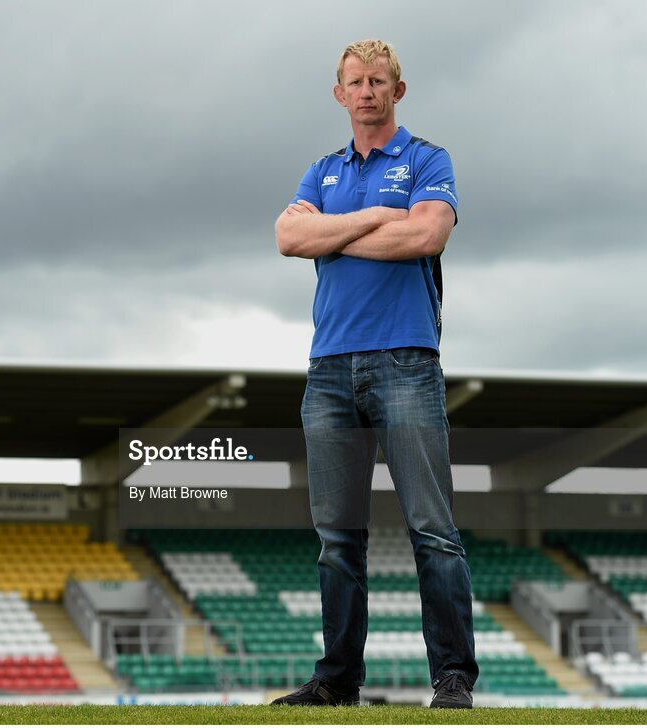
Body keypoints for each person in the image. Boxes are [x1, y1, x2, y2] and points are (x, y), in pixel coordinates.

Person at [271, 39, 478, 710]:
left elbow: (425, 237)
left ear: (398, 89)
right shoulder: (321, 170)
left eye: (378, 81)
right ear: (340, 94)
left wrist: (330, 230)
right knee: (337, 537)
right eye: (355, 82)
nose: (367, 91)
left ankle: (451, 677)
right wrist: (371, 218)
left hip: (405, 361)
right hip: (328, 368)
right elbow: (287, 238)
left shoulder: (427, 159)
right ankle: (337, 681)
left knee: (433, 528)